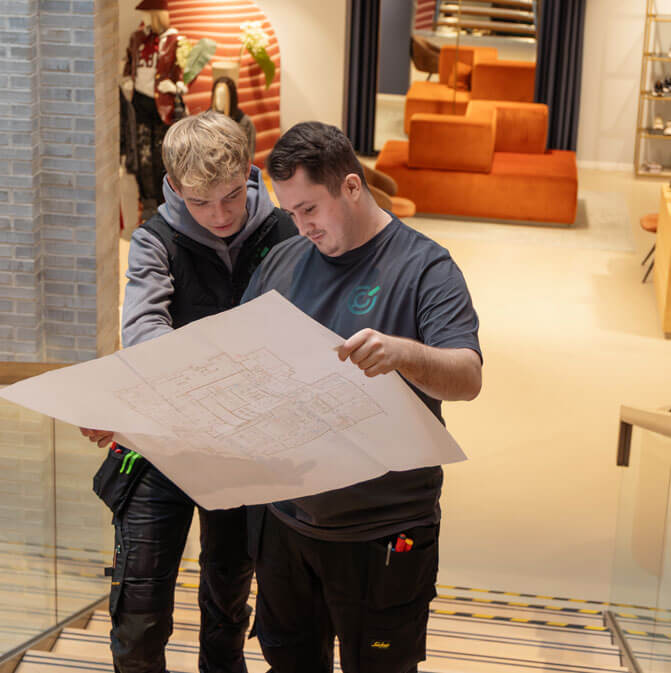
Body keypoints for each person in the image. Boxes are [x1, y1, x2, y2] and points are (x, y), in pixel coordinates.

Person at [242, 121, 483, 673]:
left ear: (351, 186)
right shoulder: (282, 262)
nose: (301, 226)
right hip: (286, 523)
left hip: (382, 532)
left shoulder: (425, 268)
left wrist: (403, 354)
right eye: (290, 212)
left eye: (310, 209)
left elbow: (467, 378)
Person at [81, 110, 296, 673]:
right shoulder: (154, 241)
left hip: (245, 449)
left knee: (228, 604)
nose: (220, 215)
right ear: (173, 187)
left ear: (248, 172)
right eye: (200, 202)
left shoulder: (288, 234)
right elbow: (146, 338)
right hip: (161, 447)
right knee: (139, 616)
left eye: (231, 196)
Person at [121, 0, 182, 222]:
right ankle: (148, 205)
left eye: (148, 14)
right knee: (142, 156)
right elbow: (130, 61)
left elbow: (181, 71)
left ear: (157, 14)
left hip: (162, 106)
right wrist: (128, 78)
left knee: (162, 156)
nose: (144, 19)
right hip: (140, 102)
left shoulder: (174, 40)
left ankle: (165, 203)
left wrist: (176, 86)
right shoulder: (137, 38)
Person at [211, 76, 256, 159]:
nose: (219, 100)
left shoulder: (245, 123)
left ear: (231, 97)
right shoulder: (205, 122)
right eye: (217, 96)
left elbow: (249, 155)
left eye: (223, 96)